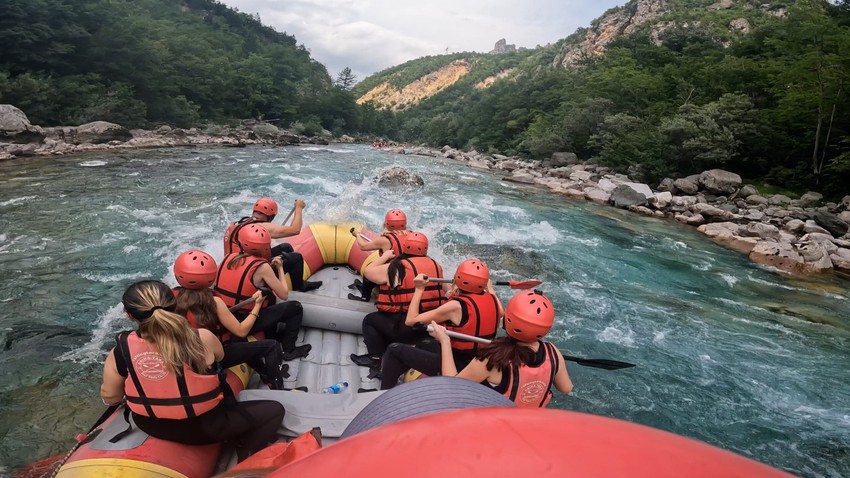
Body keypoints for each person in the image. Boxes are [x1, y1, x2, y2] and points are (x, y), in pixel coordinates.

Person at [100, 280, 285, 462]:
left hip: (150, 425)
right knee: (275, 410)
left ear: (129, 315)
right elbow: (220, 357)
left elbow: (110, 396)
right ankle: (247, 452)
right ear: (174, 304)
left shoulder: (120, 350)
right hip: (207, 427)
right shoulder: (202, 338)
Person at [429, 290, 573, 408]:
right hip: (529, 426)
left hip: (495, 428)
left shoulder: (493, 358)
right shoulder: (553, 352)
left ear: (508, 319)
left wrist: (444, 341)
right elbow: (566, 388)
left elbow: (452, 388)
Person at [172, 250, 289, 390]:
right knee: (271, 346)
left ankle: (264, 373)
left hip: (185, 354)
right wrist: (257, 305)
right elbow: (241, 331)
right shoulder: (214, 302)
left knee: (239, 342)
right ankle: (278, 388)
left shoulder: (170, 297)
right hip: (215, 356)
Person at [378, 259, 503, 389]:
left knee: (394, 350)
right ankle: (394, 373)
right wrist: (490, 289)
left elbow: (410, 320)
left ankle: (384, 394)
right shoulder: (494, 301)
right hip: (477, 361)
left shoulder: (455, 307)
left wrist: (419, 289)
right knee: (425, 344)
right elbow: (501, 312)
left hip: (455, 366)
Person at [349, 232, 446, 376]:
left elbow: (368, 272)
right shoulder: (436, 265)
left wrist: (385, 257)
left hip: (404, 329)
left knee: (369, 321)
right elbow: (446, 291)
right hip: (426, 328)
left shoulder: (396, 267)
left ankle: (375, 358)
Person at [214, 223, 311, 361]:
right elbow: (284, 294)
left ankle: (274, 335)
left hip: (226, 317)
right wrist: (280, 268)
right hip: (245, 321)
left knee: (269, 299)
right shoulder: (262, 267)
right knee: (295, 308)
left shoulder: (227, 257)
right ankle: (289, 350)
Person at [223, 197, 321, 292]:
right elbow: (295, 230)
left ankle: (290, 275)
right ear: (271, 216)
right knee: (297, 258)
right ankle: (299, 285)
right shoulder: (262, 226)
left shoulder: (239, 223)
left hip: (233, 266)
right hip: (248, 272)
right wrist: (298, 208)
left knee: (286, 247)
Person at [348, 209, 411, 302]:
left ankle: (364, 298)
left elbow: (363, 246)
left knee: (370, 268)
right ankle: (369, 287)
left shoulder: (384, 240)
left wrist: (357, 235)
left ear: (387, 223)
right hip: (409, 271)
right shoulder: (411, 235)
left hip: (395, 274)